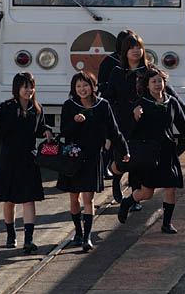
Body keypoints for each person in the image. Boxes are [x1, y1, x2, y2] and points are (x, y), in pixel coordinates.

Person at [104, 33, 185, 207]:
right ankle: (116, 178)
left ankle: (134, 194)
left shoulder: (148, 69)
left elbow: (167, 90)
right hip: (123, 121)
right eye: (132, 48)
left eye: (139, 47)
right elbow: (109, 97)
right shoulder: (117, 72)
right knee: (123, 159)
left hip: (144, 123)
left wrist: (183, 109)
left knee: (139, 158)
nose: (136, 51)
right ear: (125, 52)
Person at [117, 65, 185, 231]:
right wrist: (135, 117)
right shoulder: (141, 103)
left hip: (168, 152)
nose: (157, 84)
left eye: (160, 81)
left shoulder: (172, 102)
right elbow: (130, 131)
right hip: (149, 154)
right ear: (147, 85)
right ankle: (128, 202)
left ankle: (166, 223)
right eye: (153, 81)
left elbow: (183, 125)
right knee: (147, 193)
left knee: (171, 187)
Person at [57, 72, 130, 251]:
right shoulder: (69, 106)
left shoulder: (102, 105)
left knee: (88, 198)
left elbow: (114, 130)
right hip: (73, 158)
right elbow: (64, 133)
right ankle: (78, 232)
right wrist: (75, 122)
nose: (83, 89)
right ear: (74, 89)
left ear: (92, 86)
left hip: (93, 157)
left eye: (86, 85)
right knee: (74, 197)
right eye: (79, 86)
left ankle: (87, 237)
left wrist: (124, 150)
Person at [0, 72, 53, 253]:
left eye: (31, 86)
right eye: (25, 86)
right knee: (8, 200)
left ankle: (29, 239)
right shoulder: (7, 107)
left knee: (28, 199)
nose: (29, 90)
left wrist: (46, 131)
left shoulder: (37, 109)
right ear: (17, 89)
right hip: (9, 158)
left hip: (28, 159)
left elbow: (40, 128)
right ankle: (11, 234)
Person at [98, 29, 136, 179]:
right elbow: (102, 86)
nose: (133, 49)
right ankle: (106, 168)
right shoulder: (110, 63)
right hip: (114, 108)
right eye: (129, 45)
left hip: (132, 109)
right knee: (111, 139)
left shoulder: (139, 65)